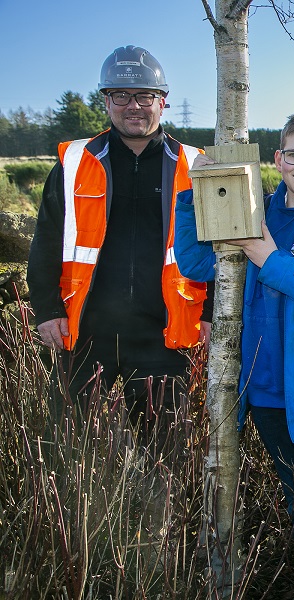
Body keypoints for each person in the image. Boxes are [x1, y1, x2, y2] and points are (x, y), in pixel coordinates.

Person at [174, 110, 294, 600]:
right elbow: (197, 263)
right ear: (278, 158)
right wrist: (195, 197)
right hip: (265, 386)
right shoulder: (253, 208)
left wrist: (268, 258)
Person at [27, 45, 210, 423]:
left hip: (165, 333)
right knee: (67, 448)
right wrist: (46, 310)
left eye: (145, 95)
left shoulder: (196, 166)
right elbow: (46, 240)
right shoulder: (74, 163)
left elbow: (221, 250)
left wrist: (209, 313)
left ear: (163, 102)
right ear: (106, 102)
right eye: (121, 95)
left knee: (166, 455)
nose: (134, 106)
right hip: (83, 330)